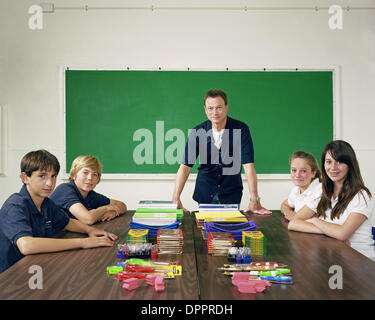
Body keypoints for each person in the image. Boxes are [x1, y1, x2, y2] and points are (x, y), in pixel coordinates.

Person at [0, 150, 118, 274]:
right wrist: (83, 242)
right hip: (11, 277)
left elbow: (67, 222)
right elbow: (26, 245)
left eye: (53, 176)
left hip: (36, 269)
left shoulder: (46, 203)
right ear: (25, 178)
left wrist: (90, 230)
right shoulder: (15, 205)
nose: (49, 183)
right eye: (42, 176)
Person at [172, 89, 271, 214]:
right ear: (205, 109)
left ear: (226, 107)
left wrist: (254, 199)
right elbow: (185, 167)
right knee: (205, 231)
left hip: (231, 194)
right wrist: (176, 198)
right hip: (205, 194)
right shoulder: (198, 132)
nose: (214, 112)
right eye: (210, 108)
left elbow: (248, 166)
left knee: (229, 231)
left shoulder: (241, 129)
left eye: (219, 107)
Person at [288, 140, 375, 260]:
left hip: (359, 260)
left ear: (350, 164)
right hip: (334, 257)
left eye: (339, 162)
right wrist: (330, 231)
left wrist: (314, 220)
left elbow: (343, 233)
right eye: (329, 162)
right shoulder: (322, 192)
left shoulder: (361, 195)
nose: (333, 167)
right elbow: (293, 223)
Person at [50, 155, 127, 225]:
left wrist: (113, 213)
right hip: (52, 237)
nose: (90, 178)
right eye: (85, 172)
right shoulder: (64, 190)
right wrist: (106, 208)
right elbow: (88, 219)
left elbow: (121, 205)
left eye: (95, 174)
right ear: (74, 174)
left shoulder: (90, 194)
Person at [281, 151, 322, 221]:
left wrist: (294, 217)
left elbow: (314, 218)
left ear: (313, 173)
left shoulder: (320, 190)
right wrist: (288, 212)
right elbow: (285, 204)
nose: (297, 175)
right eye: (294, 170)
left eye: (303, 171)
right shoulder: (296, 190)